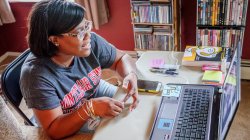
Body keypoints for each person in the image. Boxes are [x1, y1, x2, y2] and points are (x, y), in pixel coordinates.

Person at [20, 0, 139, 139]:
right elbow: (54, 130)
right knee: (117, 132)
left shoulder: (89, 42)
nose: (88, 36)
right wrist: (90, 108)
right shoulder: (35, 75)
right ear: (54, 39)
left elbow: (122, 58)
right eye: (79, 32)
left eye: (86, 26)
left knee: (133, 110)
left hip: (93, 91)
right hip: (65, 118)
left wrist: (130, 75)